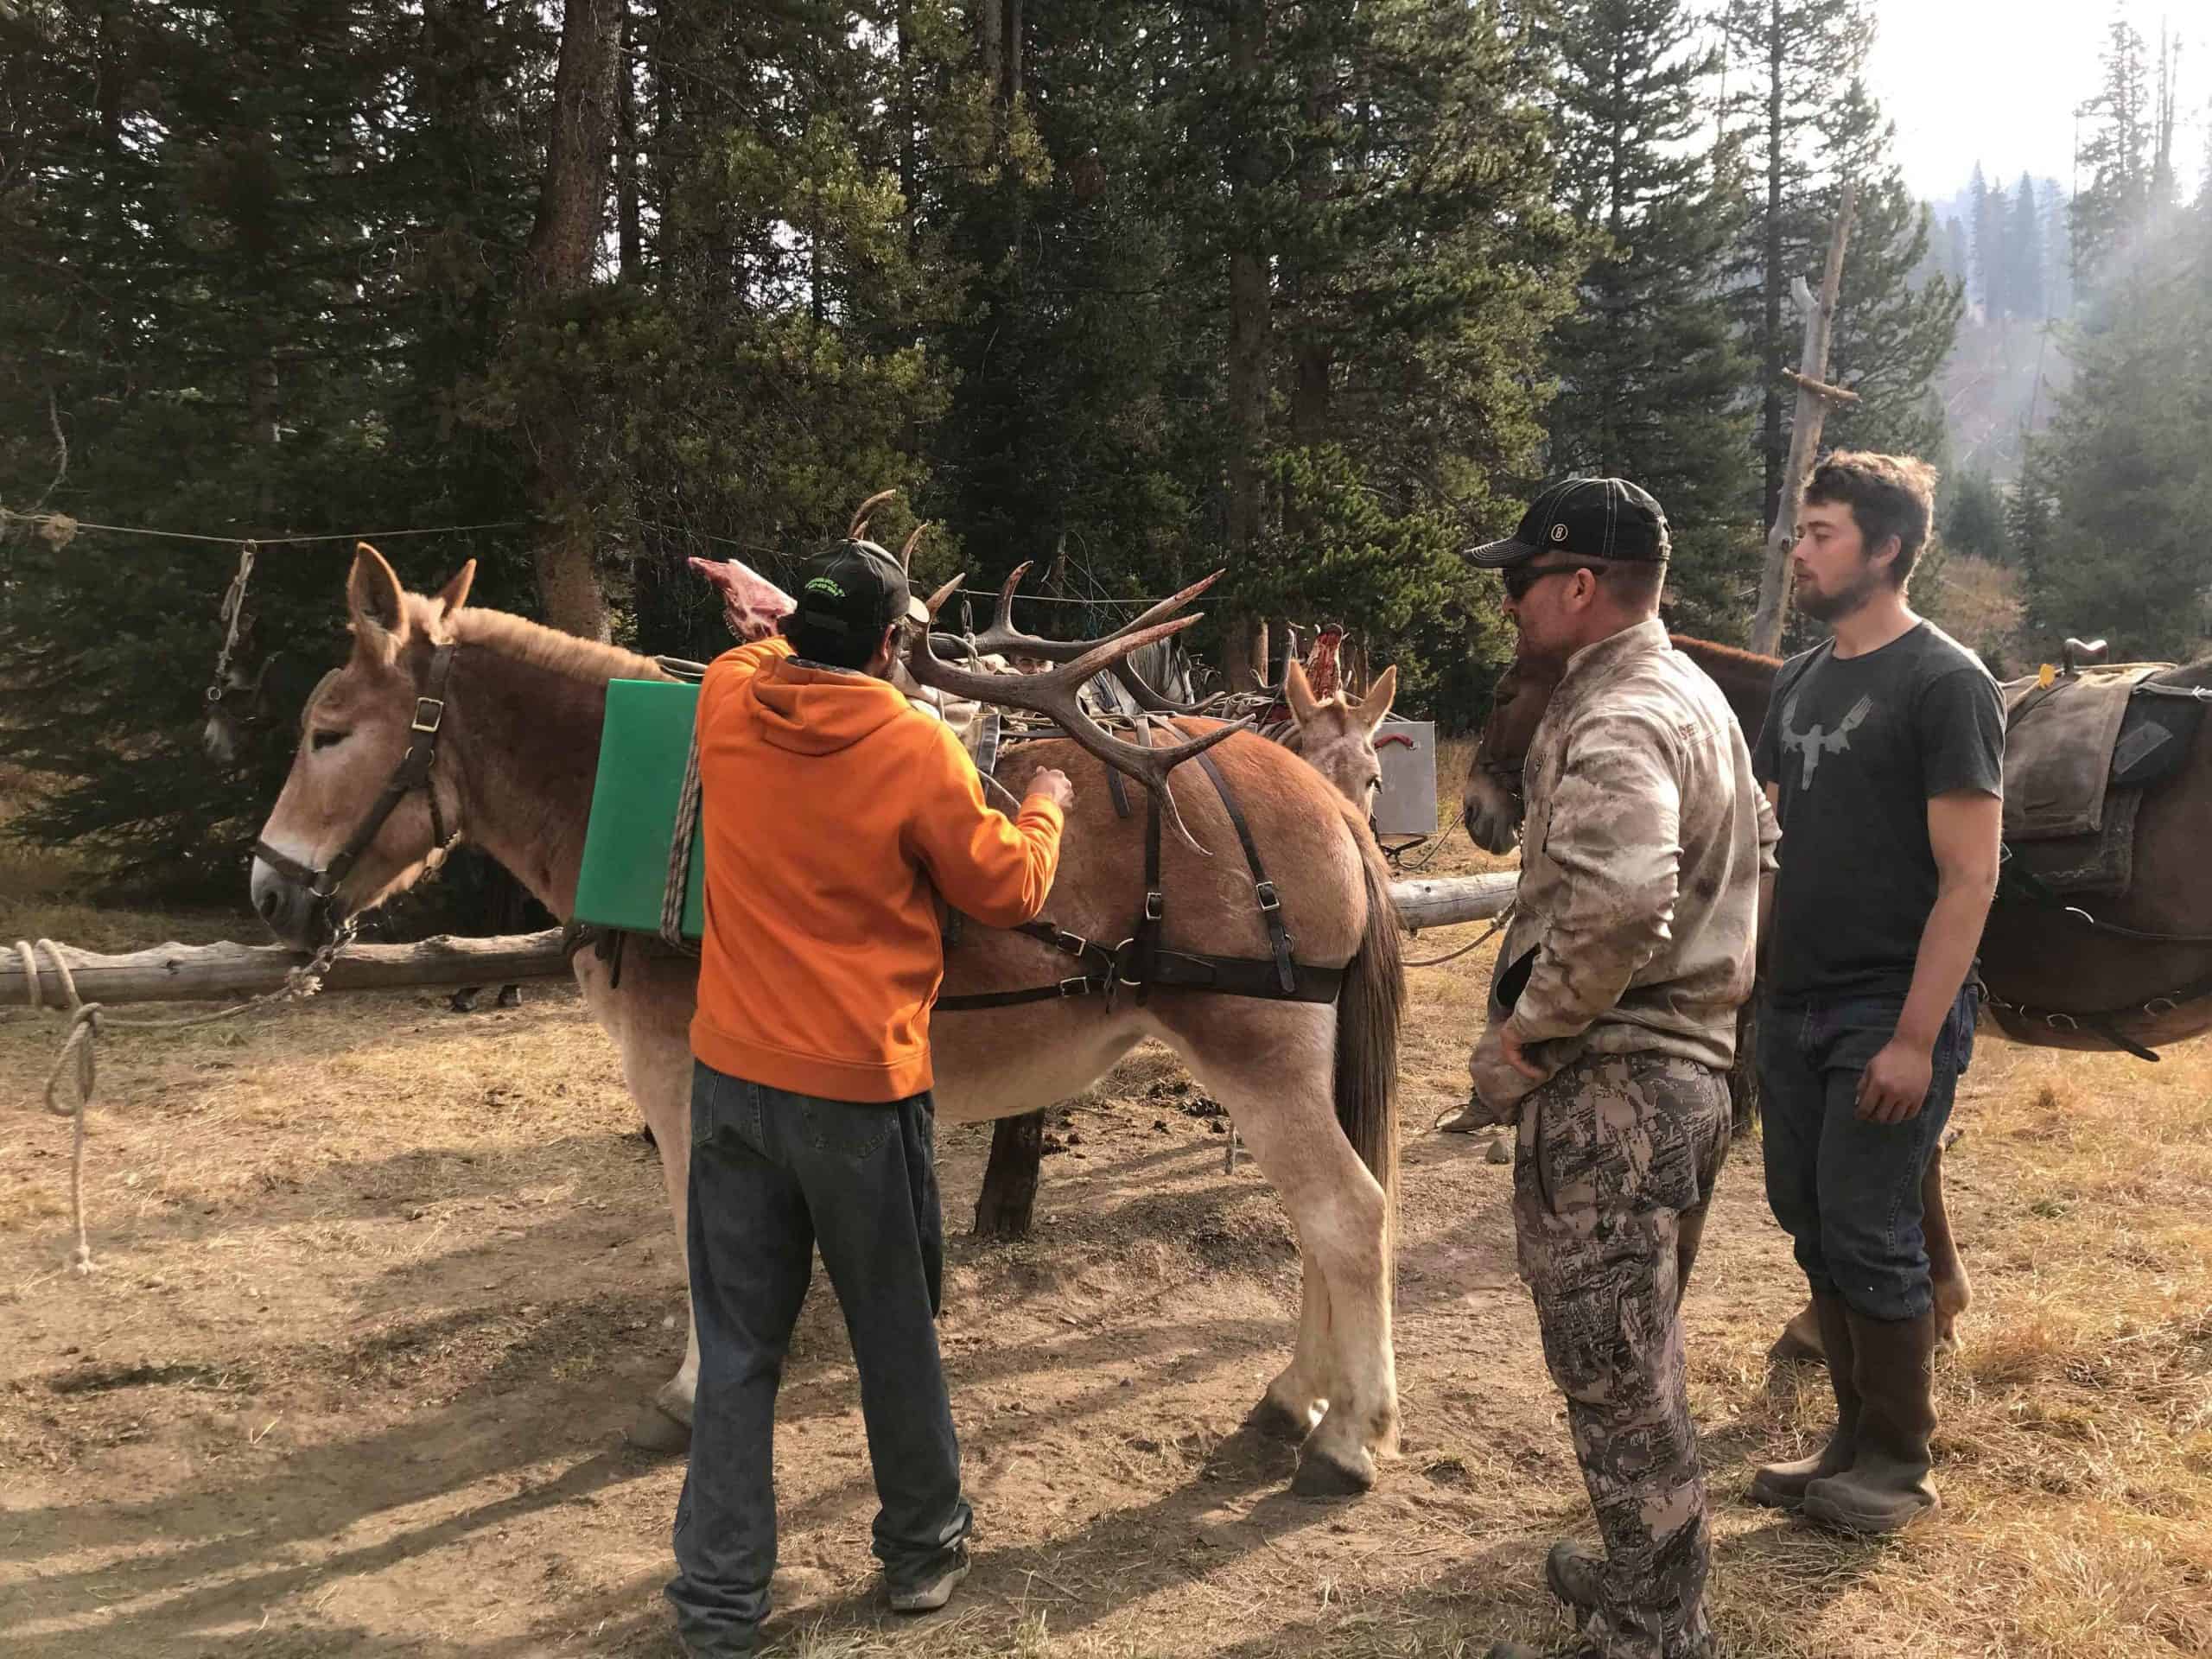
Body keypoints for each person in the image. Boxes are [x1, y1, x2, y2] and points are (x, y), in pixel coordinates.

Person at [666, 537, 1075, 1656]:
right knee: (893, 1326)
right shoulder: (911, 744)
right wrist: (1046, 799)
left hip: (733, 1084)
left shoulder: (726, 697)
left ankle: (716, 1602)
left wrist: (773, 615)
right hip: (859, 1092)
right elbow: (1003, 888)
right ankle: (920, 1546)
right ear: (895, 645)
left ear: (790, 634)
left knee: (740, 1343)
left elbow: (757, 648)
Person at [1459, 479, 1775, 1659]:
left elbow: (1627, 897)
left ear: (1579, 586)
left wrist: (1525, 1038)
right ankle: (1651, 1572)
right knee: (1639, 1356)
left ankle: (1654, 1630)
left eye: (1519, 583)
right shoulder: (1688, 693)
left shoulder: (1617, 715)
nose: (1509, 608)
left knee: (1614, 1374)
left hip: (1614, 1088)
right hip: (1679, 1076)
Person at [1747, 452, 2002, 1535]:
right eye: (1799, 533)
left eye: (1819, 533)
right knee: (1807, 1220)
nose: (1797, 552)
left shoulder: (1944, 684)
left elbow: (1970, 876)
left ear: (1886, 548)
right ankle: (1848, 1442)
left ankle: (1899, 1464)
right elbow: (1771, 844)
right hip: (1792, 1004)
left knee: (1870, 1225)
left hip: (1887, 1009)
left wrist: (1911, 1039)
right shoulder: (1802, 678)